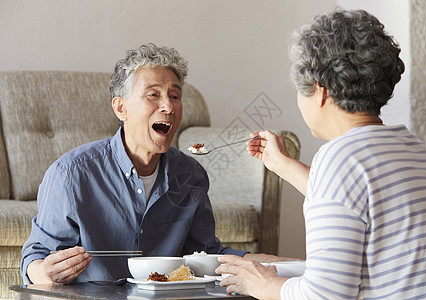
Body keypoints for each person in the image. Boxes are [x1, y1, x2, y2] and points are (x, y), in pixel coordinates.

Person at [216, 9, 426, 300]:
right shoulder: (418, 152)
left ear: (320, 91)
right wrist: (282, 165)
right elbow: (357, 202)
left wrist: (261, 285)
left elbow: (326, 294)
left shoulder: (339, 159)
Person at [21, 43, 259, 284]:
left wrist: (275, 265)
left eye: (174, 96)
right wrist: (44, 273)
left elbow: (204, 253)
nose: (168, 106)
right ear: (121, 108)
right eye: (153, 95)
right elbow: (36, 256)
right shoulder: (70, 175)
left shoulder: (191, 175)